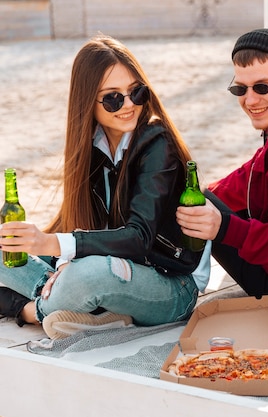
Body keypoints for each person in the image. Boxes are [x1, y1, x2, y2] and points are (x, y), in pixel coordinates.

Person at [0, 35, 207, 340]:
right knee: (7, 248)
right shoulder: (93, 147)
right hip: (116, 268)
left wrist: (50, 246)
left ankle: (34, 309)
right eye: (113, 97)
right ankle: (67, 301)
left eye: (136, 92)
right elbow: (79, 229)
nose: (128, 105)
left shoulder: (158, 145)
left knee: (87, 276)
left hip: (172, 284)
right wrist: (34, 243)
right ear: (88, 101)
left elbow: (139, 239)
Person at [176, 28, 268, 298]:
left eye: (262, 87)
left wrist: (223, 227)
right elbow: (254, 172)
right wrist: (209, 197)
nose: (250, 100)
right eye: (240, 89)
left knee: (206, 211)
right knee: (202, 200)